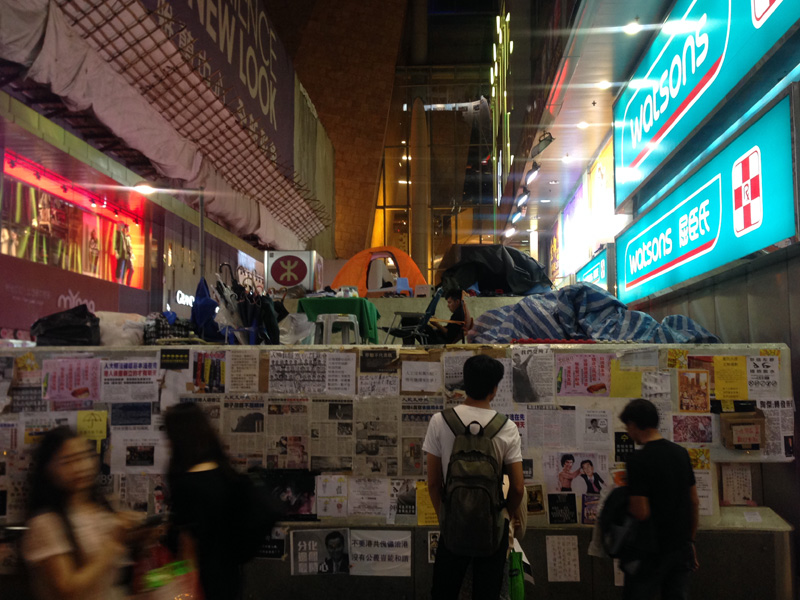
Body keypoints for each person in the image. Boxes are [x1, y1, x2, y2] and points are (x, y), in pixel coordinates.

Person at [423, 354, 524, 600]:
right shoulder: (507, 427)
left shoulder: (439, 421)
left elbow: (433, 483)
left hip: (453, 526)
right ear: (494, 389)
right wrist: (504, 515)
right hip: (492, 529)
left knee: (444, 593)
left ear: (465, 384)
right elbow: (518, 488)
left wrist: (445, 517)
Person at [21, 426, 132, 600]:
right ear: (48, 469)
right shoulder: (45, 522)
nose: (80, 466)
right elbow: (68, 590)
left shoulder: (100, 507)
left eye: (85, 456)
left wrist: (138, 536)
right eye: (68, 461)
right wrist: (113, 543)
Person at [620, 398, 700, 600]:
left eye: (627, 427)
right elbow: (694, 501)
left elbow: (641, 512)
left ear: (633, 424)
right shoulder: (680, 453)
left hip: (650, 552)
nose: (628, 432)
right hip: (680, 547)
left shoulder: (637, 460)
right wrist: (689, 541)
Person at [164, 402, 244, 600]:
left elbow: (188, 546)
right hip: (229, 574)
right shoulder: (224, 471)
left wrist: (184, 589)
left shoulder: (187, 482)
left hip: (200, 580)